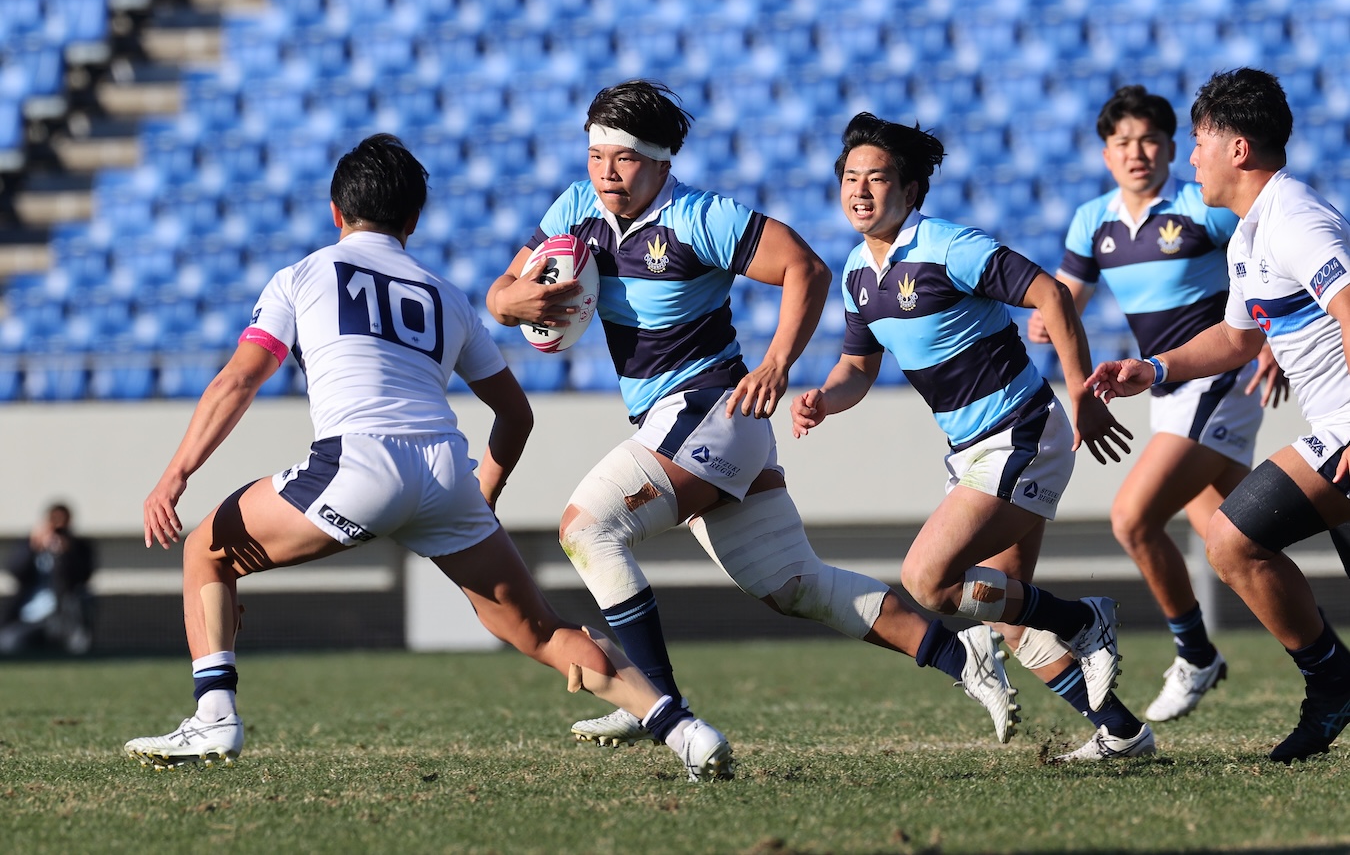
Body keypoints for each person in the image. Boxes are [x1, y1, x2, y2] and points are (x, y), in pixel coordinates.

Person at [125, 134, 735, 782]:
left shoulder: (302, 275)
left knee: (206, 550)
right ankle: (686, 731)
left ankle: (216, 716)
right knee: (540, 630)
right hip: (446, 473)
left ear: (336, 212)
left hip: (356, 464)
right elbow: (515, 415)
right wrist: (482, 500)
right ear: (413, 220)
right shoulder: (447, 295)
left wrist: (174, 477)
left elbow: (238, 380)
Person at [486, 80, 1020, 750]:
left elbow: (807, 268)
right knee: (797, 585)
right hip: (678, 421)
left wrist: (776, 364)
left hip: (711, 408)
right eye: (596, 156)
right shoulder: (574, 208)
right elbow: (500, 292)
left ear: (659, 161)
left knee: (587, 529)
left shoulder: (698, 217)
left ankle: (658, 705)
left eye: (623, 159)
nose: (606, 173)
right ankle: (960, 657)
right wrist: (517, 305)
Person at [791, 112, 1154, 761]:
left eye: (878, 179)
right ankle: (1123, 731)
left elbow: (1051, 296)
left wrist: (1081, 394)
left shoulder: (949, 246)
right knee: (1009, 613)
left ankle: (1085, 620)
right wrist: (825, 398)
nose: (861, 191)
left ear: (912, 192)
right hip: (974, 453)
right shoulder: (854, 273)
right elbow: (857, 368)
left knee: (927, 581)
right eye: (850, 178)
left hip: (1020, 434)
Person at [1088, 68, 1350, 763]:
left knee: (1231, 538)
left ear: (1237, 148)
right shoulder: (1248, 234)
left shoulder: (1296, 219)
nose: (1191, 156)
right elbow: (1237, 339)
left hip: (1346, 426)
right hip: (1334, 425)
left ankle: (1332, 686)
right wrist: (1156, 369)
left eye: (1199, 140)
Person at [1027, 85, 1287, 724]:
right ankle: (1329, 665)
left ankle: (1195, 654)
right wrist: (1045, 320)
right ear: (1106, 153)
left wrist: (1276, 339)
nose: (1137, 153)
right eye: (1122, 143)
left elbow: (1280, 253)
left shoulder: (1206, 204)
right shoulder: (1094, 221)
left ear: (1173, 148)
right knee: (1238, 544)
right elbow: (1066, 303)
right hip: (1163, 392)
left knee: (1133, 518)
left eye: (1150, 140)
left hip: (1217, 381)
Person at [0, 502, 97, 655]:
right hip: (31, 615)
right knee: (9, 641)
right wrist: (33, 546)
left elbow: (82, 576)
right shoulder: (32, 543)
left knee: (79, 646)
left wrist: (65, 553)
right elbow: (15, 570)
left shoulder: (78, 546)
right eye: (53, 520)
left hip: (64, 617)